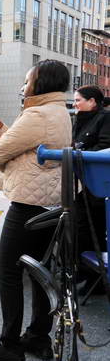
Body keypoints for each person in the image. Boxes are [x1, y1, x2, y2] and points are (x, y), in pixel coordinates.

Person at [0, 60, 71, 361]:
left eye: (28, 78)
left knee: (8, 271)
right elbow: (27, 144)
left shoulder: (36, 113)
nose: (24, 83)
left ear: (40, 82)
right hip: (51, 202)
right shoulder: (61, 111)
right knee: (39, 272)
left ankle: (9, 345)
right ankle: (38, 337)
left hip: (27, 204)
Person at [72, 85, 110, 296]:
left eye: (78, 100)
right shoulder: (80, 119)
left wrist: (81, 155)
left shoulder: (105, 118)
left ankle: (96, 276)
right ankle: (84, 269)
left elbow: (105, 147)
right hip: (82, 183)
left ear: (92, 101)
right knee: (80, 227)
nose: (75, 104)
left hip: (98, 186)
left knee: (94, 229)